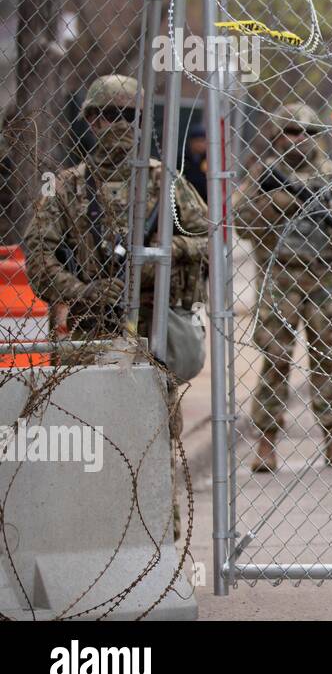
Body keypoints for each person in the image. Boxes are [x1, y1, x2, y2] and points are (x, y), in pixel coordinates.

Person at [23, 74, 209, 539]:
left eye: (128, 116)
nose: (116, 126)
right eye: (106, 116)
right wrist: (87, 291)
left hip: (155, 325)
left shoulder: (167, 182)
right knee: (95, 439)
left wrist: (158, 259)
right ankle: (101, 541)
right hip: (93, 329)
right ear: (88, 119)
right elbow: (40, 260)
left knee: (155, 438)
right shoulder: (64, 188)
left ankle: (162, 541)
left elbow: (207, 240)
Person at [234, 103, 332, 472]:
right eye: (291, 132)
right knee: (275, 360)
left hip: (324, 279)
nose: (299, 139)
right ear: (277, 135)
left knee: (328, 360)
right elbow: (240, 222)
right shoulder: (264, 175)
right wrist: (273, 206)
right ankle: (266, 442)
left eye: (307, 133)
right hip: (279, 279)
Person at [183, 121, 208, 204]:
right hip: (185, 198)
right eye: (197, 141)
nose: (200, 144)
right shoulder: (182, 158)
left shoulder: (209, 159)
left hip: (204, 200)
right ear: (191, 142)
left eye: (203, 141)